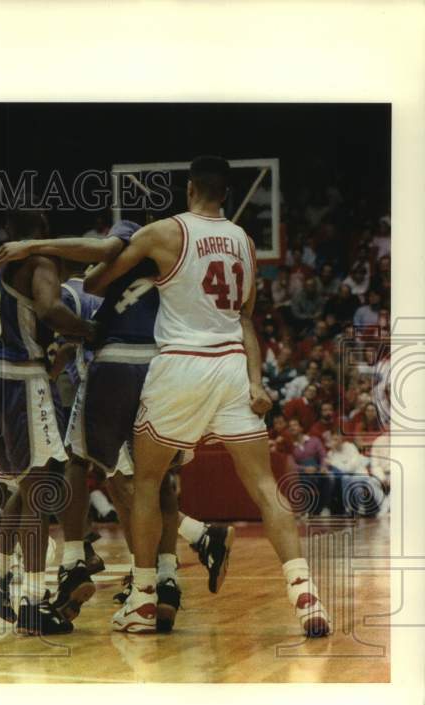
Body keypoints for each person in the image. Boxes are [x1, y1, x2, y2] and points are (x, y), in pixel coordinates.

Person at [87, 155, 330, 637]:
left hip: (180, 365)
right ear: (228, 193)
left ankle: (141, 600)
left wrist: (117, 255)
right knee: (263, 486)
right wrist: (257, 381)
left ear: (190, 187)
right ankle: (305, 596)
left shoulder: (163, 231)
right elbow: (245, 319)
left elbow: (96, 281)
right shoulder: (243, 241)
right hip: (231, 368)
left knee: (147, 482)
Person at [0, 220, 232, 633]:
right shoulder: (171, 273)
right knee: (154, 480)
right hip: (171, 368)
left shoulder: (85, 280)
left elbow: (57, 315)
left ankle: (73, 565)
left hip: (115, 371)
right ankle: (166, 575)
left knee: (80, 465)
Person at [0, 210, 99, 636]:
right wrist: (90, 330)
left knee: (27, 487)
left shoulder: (2, 269)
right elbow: (49, 308)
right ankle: (34, 601)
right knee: (40, 489)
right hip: (19, 377)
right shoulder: (40, 262)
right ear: (42, 234)